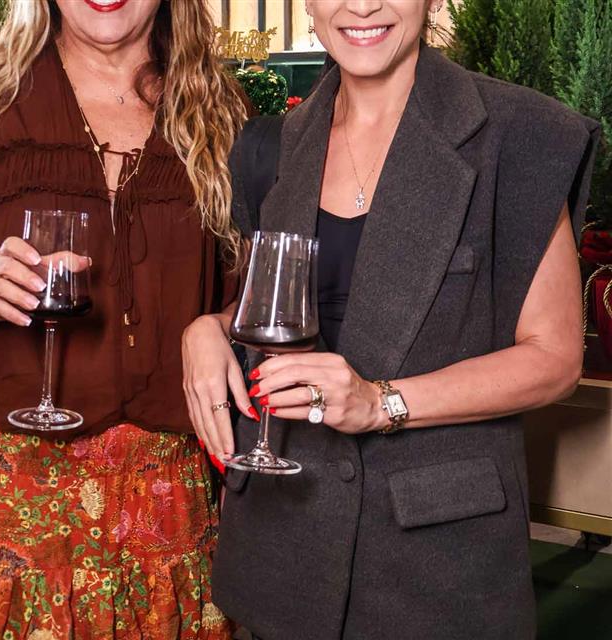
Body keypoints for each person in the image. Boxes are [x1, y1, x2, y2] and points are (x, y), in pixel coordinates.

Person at [181, 1, 600, 639]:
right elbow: (271, 307)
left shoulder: (522, 134)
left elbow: (555, 359)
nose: (361, 6)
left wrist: (381, 404)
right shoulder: (273, 145)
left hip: (437, 571)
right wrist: (209, 329)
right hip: (282, 552)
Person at [0, 1, 247, 637]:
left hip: (165, 498)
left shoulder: (217, 108)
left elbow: (255, 286)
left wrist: (215, 323)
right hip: (17, 497)